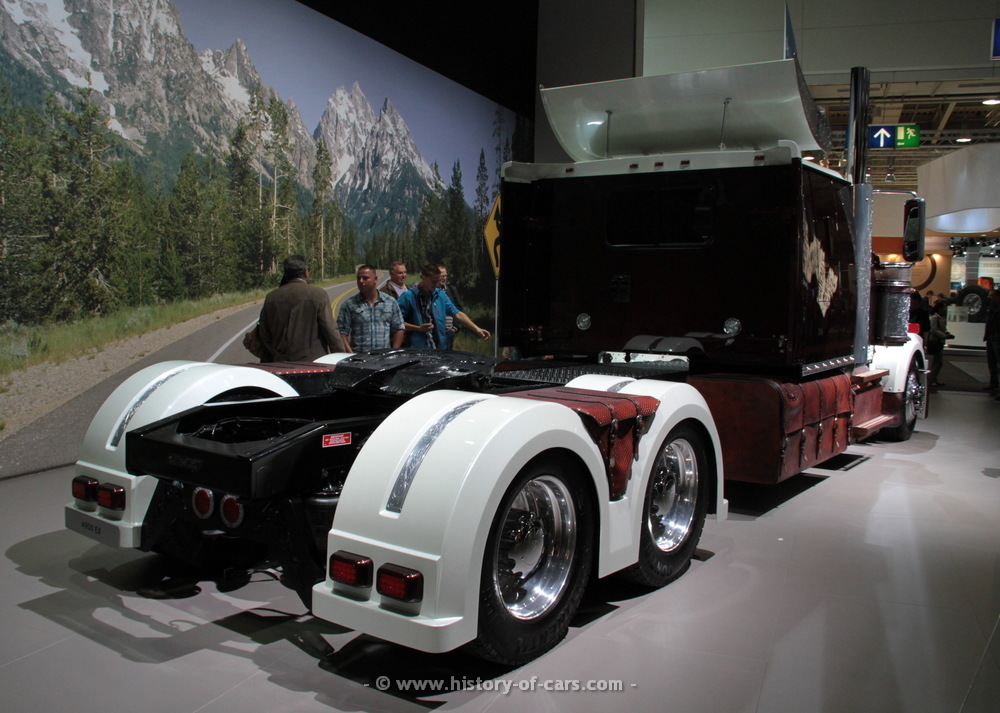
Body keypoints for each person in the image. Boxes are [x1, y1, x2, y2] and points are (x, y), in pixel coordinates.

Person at [257, 255, 339, 362]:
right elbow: (330, 331)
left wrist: (275, 353)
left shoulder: (271, 297)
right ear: (305, 272)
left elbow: (264, 332)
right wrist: (341, 358)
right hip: (314, 363)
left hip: (281, 362)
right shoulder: (318, 294)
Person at [398, 263, 490, 349]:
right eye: (433, 282)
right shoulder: (408, 297)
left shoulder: (440, 295)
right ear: (423, 277)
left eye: (438, 281)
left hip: (440, 349)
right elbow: (397, 322)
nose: (436, 285)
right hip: (417, 350)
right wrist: (418, 328)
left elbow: (457, 313)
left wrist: (476, 329)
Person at [337, 265, 405, 352]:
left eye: (365, 278)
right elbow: (341, 332)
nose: (361, 281)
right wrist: (350, 354)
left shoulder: (390, 302)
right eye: (358, 278)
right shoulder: (349, 305)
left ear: (375, 279)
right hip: (359, 357)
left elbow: (399, 328)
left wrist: (393, 352)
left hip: (383, 357)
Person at [926, 300, 954, 387]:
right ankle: (932, 380)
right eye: (943, 307)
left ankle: (933, 379)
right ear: (939, 308)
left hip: (938, 341)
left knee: (937, 362)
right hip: (936, 341)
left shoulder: (939, 317)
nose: (945, 309)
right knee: (938, 362)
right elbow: (933, 330)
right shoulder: (936, 318)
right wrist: (944, 335)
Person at [437, 263, 464, 349]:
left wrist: (455, 328)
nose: (444, 278)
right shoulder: (431, 291)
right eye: (442, 276)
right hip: (436, 332)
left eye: (446, 276)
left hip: (449, 332)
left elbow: (458, 309)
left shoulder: (451, 290)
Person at [983, 289, 1000, 396]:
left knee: (997, 362)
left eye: (992, 295)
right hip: (991, 338)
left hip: (997, 339)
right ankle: (993, 383)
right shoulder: (991, 308)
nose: (989, 297)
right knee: (992, 363)